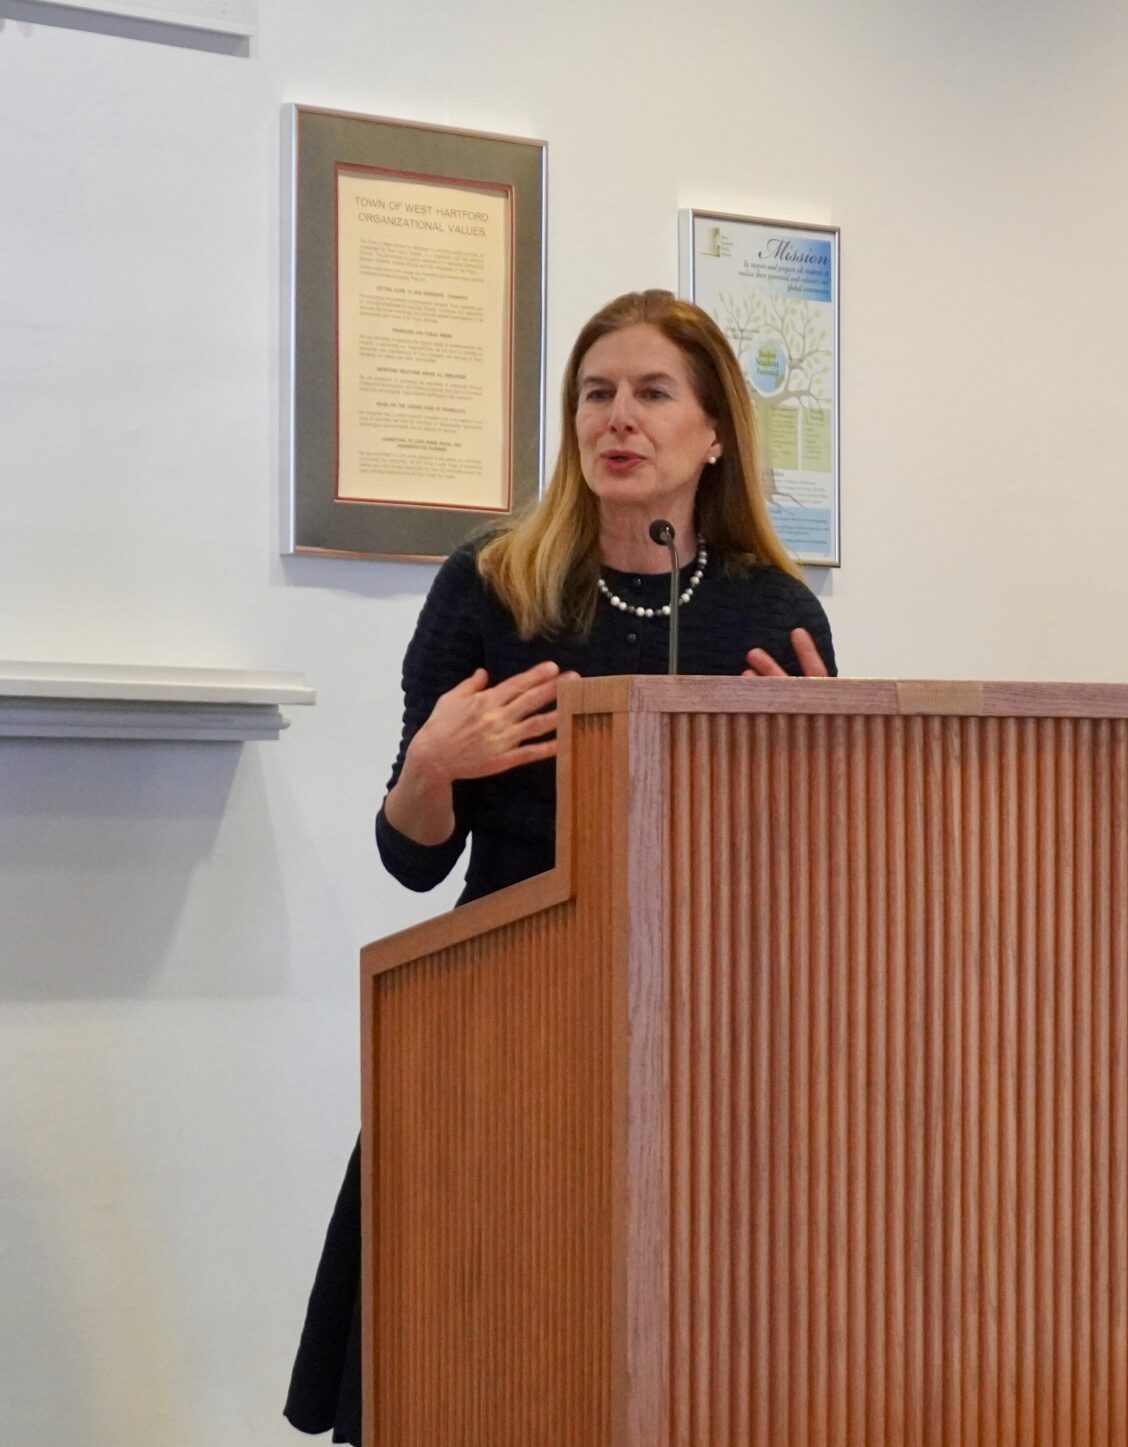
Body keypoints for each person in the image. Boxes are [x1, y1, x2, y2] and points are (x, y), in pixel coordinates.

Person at [284, 289, 835, 1443]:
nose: (617, 420)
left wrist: (810, 772)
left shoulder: (768, 609)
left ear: (714, 430)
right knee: (468, 1367)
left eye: (649, 393)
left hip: (696, 1043)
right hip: (497, 1014)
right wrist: (432, 766)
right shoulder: (495, 585)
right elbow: (408, 860)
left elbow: (799, 881)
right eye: (595, 394)